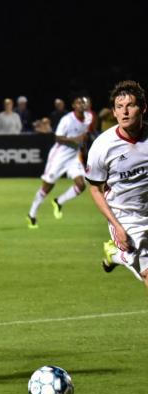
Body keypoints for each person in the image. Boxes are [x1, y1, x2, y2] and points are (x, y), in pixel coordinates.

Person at [86, 80, 148, 287]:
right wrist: (116, 225)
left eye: (130, 105)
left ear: (143, 108)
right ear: (113, 112)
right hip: (124, 216)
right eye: (119, 107)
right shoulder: (102, 146)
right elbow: (95, 189)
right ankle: (116, 254)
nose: (125, 112)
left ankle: (114, 255)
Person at [26, 94, 92, 228]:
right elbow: (58, 138)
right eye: (78, 103)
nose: (81, 105)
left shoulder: (89, 118)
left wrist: (83, 147)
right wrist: (75, 139)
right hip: (59, 156)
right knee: (47, 186)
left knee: (81, 185)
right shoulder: (67, 119)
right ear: (74, 106)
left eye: (83, 103)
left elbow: (84, 136)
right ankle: (32, 214)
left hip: (73, 157)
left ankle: (59, 201)